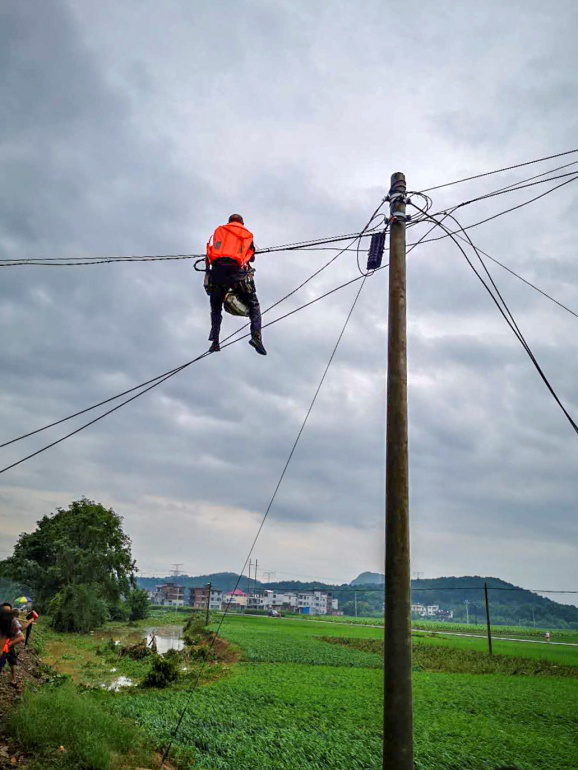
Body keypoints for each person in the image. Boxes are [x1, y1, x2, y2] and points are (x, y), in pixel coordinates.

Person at [206, 214, 267, 356]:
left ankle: (215, 341)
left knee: (216, 307)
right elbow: (251, 256)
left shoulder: (219, 230)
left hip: (217, 272)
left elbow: (211, 250)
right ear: (242, 223)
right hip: (236, 272)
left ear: (229, 221)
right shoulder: (246, 234)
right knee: (254, 305)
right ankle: (256, 337)